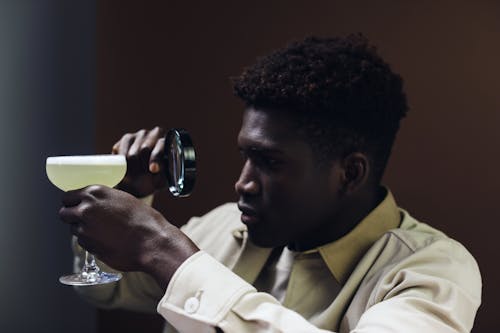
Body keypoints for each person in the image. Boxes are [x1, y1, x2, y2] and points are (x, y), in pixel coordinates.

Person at [59, 34, 481, 332]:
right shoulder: (226, 226)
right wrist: (131, 197)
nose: (243, 184)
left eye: (271, 162)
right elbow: (105, 294)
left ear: (350, 173)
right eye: (246, 155)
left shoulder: (431, 271)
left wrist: (169, 254)